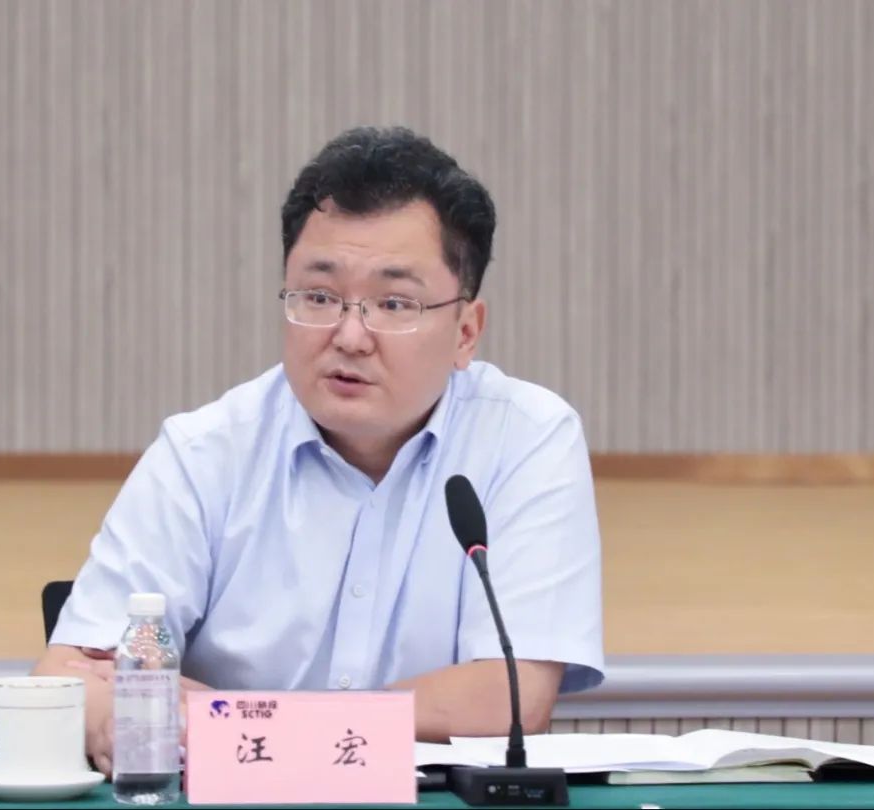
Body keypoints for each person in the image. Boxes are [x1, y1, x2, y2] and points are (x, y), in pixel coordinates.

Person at [33, 126, 604, 776]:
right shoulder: (204, 453)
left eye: (394, 303)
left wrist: (244, 720)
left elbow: (510, 696)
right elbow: (70, 678)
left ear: (466, 332)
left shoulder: (526, 439)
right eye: (320, 297)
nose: (351, 336)